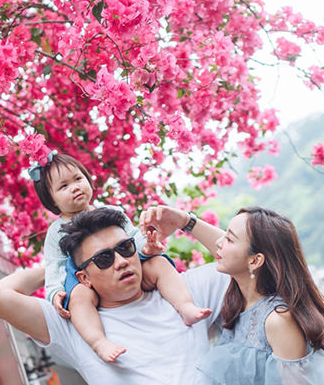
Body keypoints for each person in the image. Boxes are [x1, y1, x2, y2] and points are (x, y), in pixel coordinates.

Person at [0, 207, 255, 385]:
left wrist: (187, 222)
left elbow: (251, 265)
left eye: (125, 248)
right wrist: (57, 270)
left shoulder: (181, 294)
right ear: (83, 278)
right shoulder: (78, 327)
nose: (121, 261)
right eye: (103, 258)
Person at [142, 206, 324, 385]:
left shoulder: (277, 320)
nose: (220, 242)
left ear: (255, 261)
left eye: (229, 239)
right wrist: (185, 221)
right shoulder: (234, 306)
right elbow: (239, 250)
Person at [29, 151, 211, 362]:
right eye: (63, 186)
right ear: (52, 201)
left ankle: (185, 306)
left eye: (78, 179)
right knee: (79, 297)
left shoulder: (111, 211)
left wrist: (148, 247)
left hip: (126, 257)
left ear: (88, 179)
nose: (75, 187)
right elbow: (54, 266)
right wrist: (55, 293)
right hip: (85, 275)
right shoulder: (56, 231)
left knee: (159, 263)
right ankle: (99, 342)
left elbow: (133, 237)